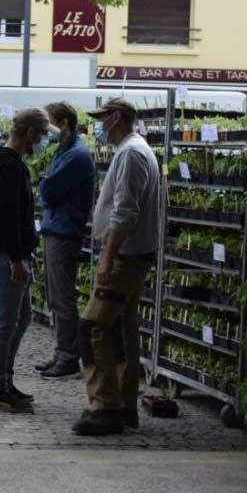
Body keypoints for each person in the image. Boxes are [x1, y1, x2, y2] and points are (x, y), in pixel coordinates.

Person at [73, 99, 161, 436]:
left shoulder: (131, 153)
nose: (98, 127)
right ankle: (124, 406)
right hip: (132, 254)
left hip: (125, 256)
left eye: (100, 120)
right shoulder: (135, 150)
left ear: (115, 118)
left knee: (93, 326)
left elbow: (126, 211)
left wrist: (108, 256)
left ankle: (104, 406)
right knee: (122, 330)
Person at [0, 107, 49, 413]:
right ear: (30, 133)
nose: (43, 140)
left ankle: (4, 382)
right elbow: (7, 217)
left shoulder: (7, 163)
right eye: (42, 134)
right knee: (5, 323)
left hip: (10, 252)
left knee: (21, 319)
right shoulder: (9, 167)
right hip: (7, 255)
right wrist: (16, 258)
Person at [34, 102, 96, 379]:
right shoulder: (65, 151)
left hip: (64, 231)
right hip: (55, 228)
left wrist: (45, 186)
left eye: (50, 124)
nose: (46, 131)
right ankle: (61, 351)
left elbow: (47, 190)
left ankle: (69, 356)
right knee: (54, 295)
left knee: (62, 297)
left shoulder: (77, 155)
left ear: (64, 124)